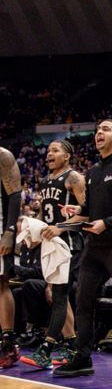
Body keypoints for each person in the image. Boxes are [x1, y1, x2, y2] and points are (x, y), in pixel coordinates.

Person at [54, 120, 112, 380]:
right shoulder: (93, 171)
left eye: (105, 129)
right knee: (82, 301)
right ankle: (83, 358)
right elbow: (89, 211)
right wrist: (77, 212)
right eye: (97, 130)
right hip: (94, 248)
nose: (99, 132)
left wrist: (107, 223)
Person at [20, 140, 85, 368]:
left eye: (55, 150)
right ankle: (71, 345)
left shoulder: (74, 177)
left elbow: (87, 212)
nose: (49, 154)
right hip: (51, 245)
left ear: (67, 156)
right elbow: (45, 216)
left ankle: (47, 347)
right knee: (57, 296)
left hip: (69, 244)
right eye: (48, 151)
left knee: (58, 296)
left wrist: (61, 227)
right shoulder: (45, 180)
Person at [0, 147, 22, 368]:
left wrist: (9, 231)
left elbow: (15, 195)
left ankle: (8, 342)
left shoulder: (3, 155)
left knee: (1, 284)